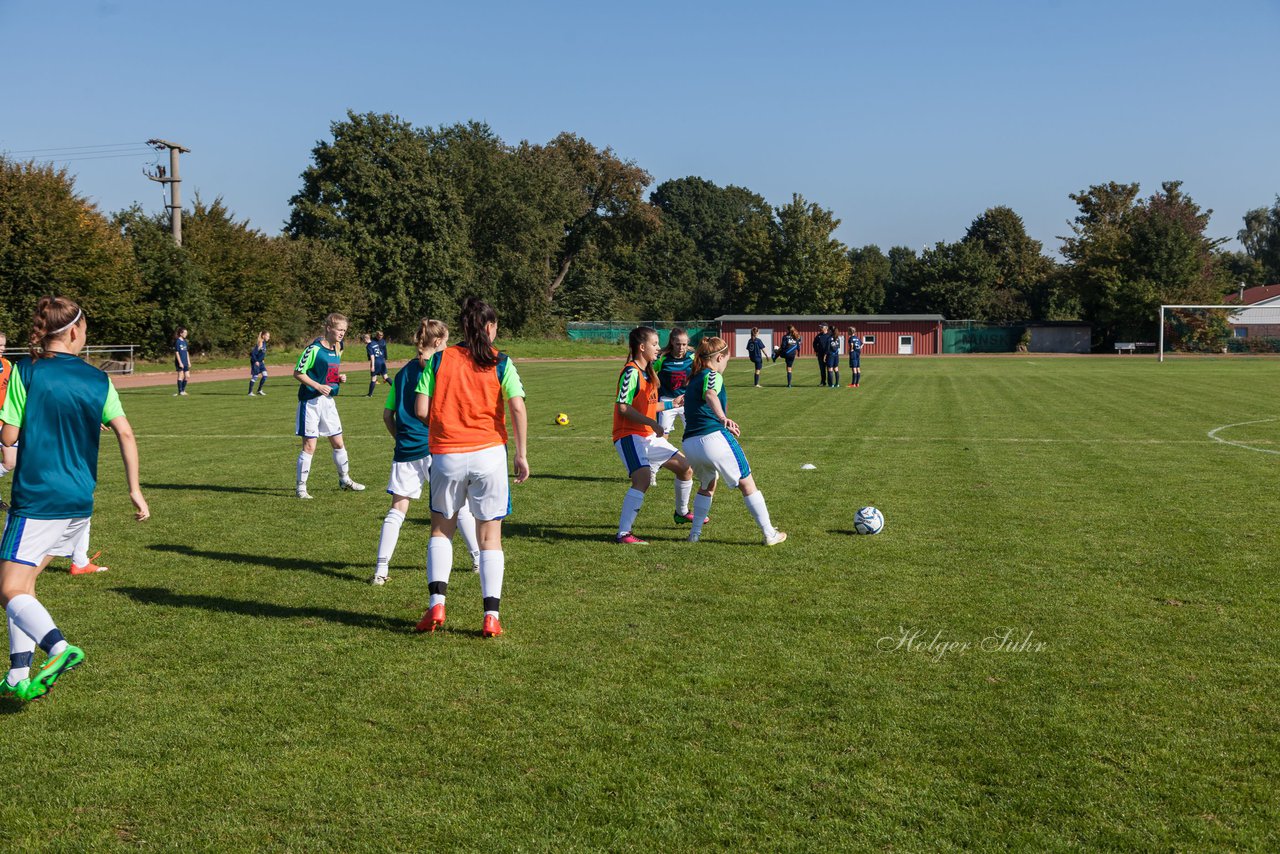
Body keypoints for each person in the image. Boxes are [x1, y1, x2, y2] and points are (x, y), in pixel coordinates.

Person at [1, 296, 150, 702]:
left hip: (37, 498)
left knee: (9, 589)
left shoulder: (27, 372)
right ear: (73, 332)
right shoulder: (98, 379)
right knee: (25, 584)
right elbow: (125, 433)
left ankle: (59, 648)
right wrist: (135, 490)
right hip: (79, 502)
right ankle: (17, 673)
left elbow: (8, 439)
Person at [412, 297, 528, 638]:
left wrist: (447, 423)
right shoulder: (501, 362)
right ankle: (491, 616)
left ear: (463, 328)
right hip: (489, 454)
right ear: (490, 328)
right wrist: (521, 454)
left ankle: (437, 602)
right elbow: (518, 407)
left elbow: (421, 409)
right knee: (490, 537)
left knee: (440, 530)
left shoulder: (437, 360)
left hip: (447, 454)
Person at [372, 318, 480, 586]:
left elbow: (388, 415)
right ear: (438, 341)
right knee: (459, 505)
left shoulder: (402, 374)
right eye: (445, 342)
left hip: (406, 450)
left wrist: (401, 438)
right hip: (436, 448)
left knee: (397, 511)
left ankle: (380, 570)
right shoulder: (439, 369)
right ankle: (478, 559)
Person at [681, 336, 786, 546]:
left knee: (707, 484)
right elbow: (710, 393)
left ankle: (695, 535)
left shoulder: (693, 377)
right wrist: (723, 418)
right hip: (712, 438)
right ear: (719, 357)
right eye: (726, 359)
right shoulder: (712, 375)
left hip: (690, 443)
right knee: (747, 483)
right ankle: (769, 534)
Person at [612, 326, 699, 545]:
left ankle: (681, 512)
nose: (659, 348)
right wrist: (651, 422)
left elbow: (651, 405)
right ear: (642, 347)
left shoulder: (648, 372)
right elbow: (623, 407)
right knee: (642, 479)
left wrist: (672, 403)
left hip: (647, 436)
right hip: (629, 435)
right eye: (654, 344)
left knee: (685, 467)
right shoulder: (631, 371)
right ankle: (624, 533)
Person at [293, 313, 365, 498]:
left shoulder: (337, 348)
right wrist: (317, 386)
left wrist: (338, 378)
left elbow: (329, 374)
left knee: (338, 442)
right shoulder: (313, 349)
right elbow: (298, 372)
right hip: (310, 402)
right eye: (339, 329)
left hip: (328, 402)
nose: (342, 333)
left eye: (344, 330)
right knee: (310, 445)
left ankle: (345, 480)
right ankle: (301, 488)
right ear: (328, 328)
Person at [654, 328, 693, 438]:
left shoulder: (693, 357)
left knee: (693, 433)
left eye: (684, 344)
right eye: (678, 344)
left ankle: (692, 455)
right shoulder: (662, 357)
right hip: (666, 400)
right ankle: (662, 455)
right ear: (672, 342)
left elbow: (701, 374)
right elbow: (649, 372)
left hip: (686, 400)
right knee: (662, 434)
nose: (681, 348)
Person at [366, 331, 389, 397]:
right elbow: (380, 351)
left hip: (376, 362)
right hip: (381, 360)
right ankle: (396, 389)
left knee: (373, 378)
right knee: (385, 377)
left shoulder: (369, 345)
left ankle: (370, 394)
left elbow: (372, 356)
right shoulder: (374, 343)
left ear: (366, 339)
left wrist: (372, 365)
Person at [249, 330, 270, 396]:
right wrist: (256, 361)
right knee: (255, 377)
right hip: (256, 362)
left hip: (261, 362)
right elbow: (253, 353)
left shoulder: (264, 343)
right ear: (263, 336)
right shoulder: (260, 343)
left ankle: (259, 390)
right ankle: (250, 392)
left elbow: (261, 353)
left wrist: (262, 359)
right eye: (267, 336)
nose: (268, 338)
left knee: (265, 375)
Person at [173, 327, 191, 396]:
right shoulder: (178, 341)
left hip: (185, 361)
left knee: (187, 376)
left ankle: (183, 390)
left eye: (186, 333)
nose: (186, 334)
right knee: (180, 375)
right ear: (181, 333)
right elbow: (177, 353)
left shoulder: (185, 341)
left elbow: (186, 352)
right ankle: (180, 391)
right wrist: (180, 362)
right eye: (185, 333)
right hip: (179, 362)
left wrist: (188, 361)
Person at [826, 324, 843, 389]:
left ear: (830, 331)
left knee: (830, 369)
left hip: (830, 355)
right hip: (836, 355)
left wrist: (825, 355)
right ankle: (837, 384)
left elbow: (827, 348)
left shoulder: (829, 338)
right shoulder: (837, 338)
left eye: (829, 330)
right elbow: (838, 347)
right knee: (836, 369)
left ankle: (831, 384)